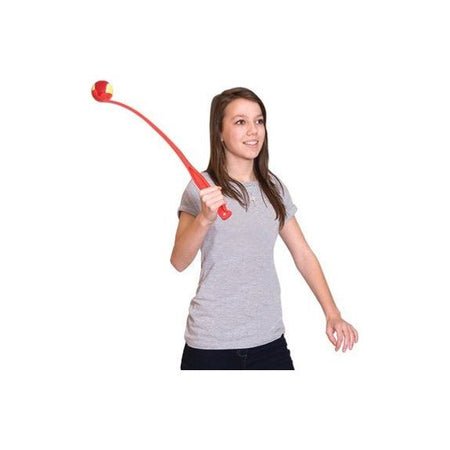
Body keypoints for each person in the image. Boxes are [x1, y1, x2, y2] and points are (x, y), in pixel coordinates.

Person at [170, 87, 358, 370]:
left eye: (259, 121)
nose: (253, 131)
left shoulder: (273, 187)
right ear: (219, 132)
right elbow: (179, 261)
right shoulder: (201, 189)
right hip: (210, 344)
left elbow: (303, 254)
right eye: (240, 122)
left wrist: (332, 313)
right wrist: (204, 219)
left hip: (268, 341)